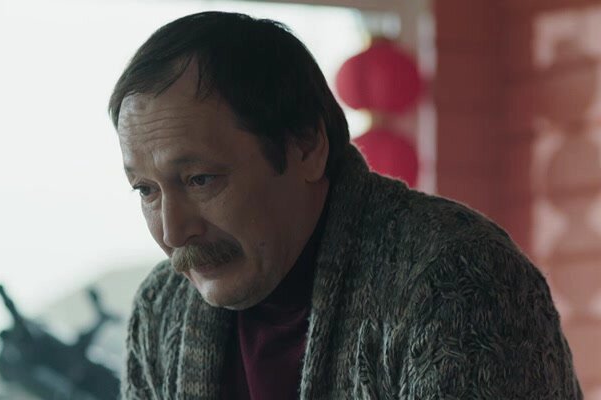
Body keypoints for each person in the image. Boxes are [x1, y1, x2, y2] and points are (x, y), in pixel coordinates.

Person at [108, 11, 582, 400]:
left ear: (306, 146)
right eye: (146, 190)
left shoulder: (455, 280)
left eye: (200, 179)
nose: (172, 231)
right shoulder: (162, 308)